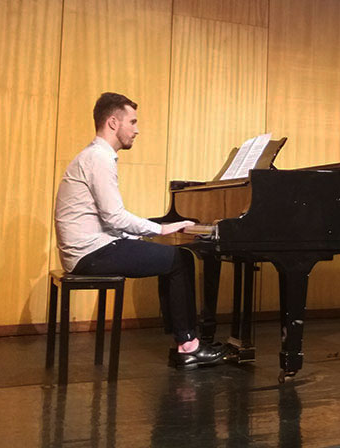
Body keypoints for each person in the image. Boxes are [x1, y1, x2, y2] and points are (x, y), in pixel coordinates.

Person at [54, 92, 223, 369]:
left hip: (90, 249)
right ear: (112, 123)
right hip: (91, 254)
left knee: (168, 256)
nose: (137, 129)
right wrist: (160, 228)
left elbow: (107, 220)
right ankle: (188, 345)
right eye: (132, 122)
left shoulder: (93, 155)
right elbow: (114, 216)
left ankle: (183, 340)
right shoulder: (99, 158)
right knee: (179, 260)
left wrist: (148, 233)